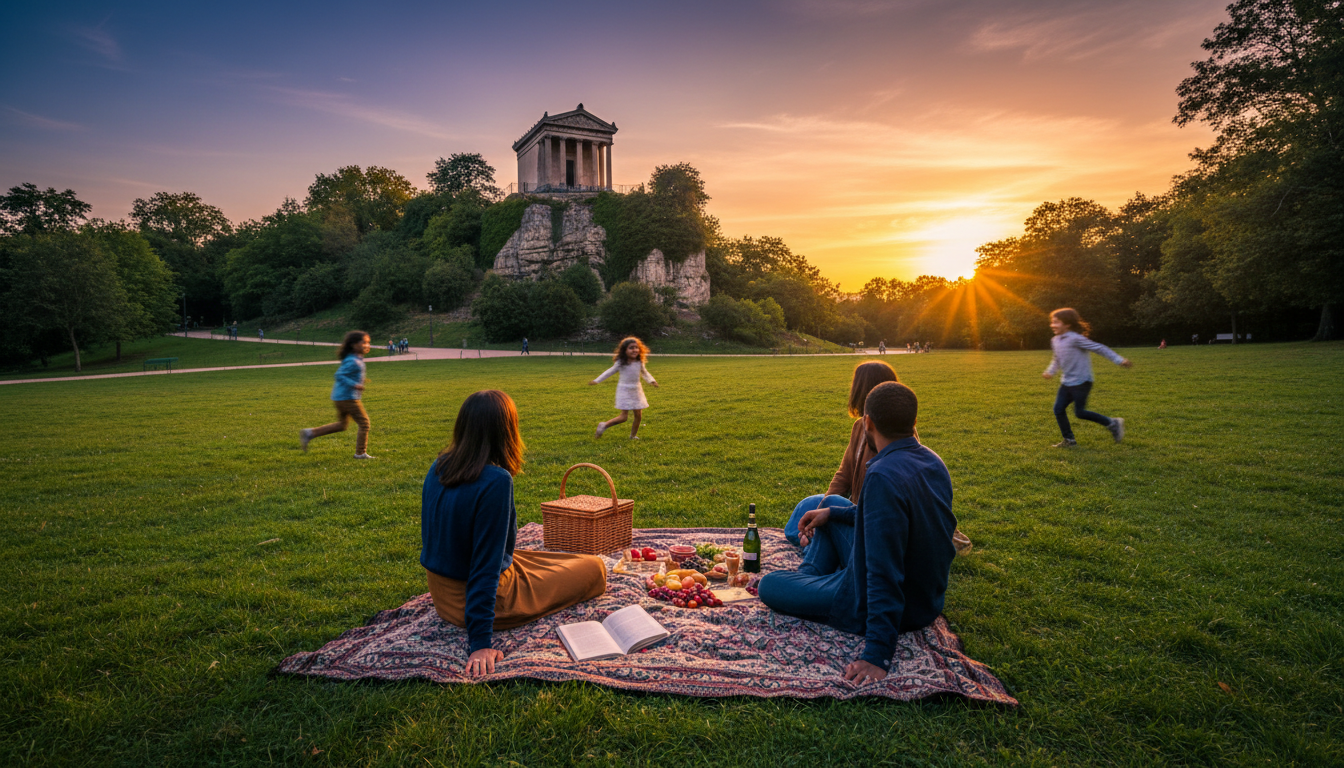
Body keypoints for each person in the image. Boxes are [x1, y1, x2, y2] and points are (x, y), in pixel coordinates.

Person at [759, 382, 956, 685]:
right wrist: (832, 513)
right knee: (834, 503)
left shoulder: (882, 476)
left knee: (770, 585)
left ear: (868, 423)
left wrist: (878, 654)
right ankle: (814, 574)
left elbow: (883, 569)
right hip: (926, 596)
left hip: (890, 603)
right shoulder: (933, 460)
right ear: (913, 423)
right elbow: (891, 523)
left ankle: (813, 578)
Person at [421, 390, 606, 677]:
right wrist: (480, 642)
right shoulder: (495, 481)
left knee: (563, 559)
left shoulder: (439, 466)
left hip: (441, 594)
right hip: (478, 598)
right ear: (506, 430)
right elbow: (485, 567)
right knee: (594, 567)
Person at [783, 360, 970, 553]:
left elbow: (886, 500)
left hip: (871, 516)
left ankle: (821, 549)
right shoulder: (859, 427)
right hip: (854, 508)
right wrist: (823, 508)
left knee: (824, 515)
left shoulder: (893, 437)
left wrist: (832, 515)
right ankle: (818, 540)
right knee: (804, 512)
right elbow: (844, 475)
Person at [1042, 307, 1132, 448]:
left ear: (1067, 324)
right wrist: (1050, 371)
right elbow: (1056, 359)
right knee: (1058, 409)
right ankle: (1069, 441)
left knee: (1080, 412)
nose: (1052, 325)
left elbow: (1099, 348)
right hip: (1066, 382)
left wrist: (1119, 360)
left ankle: (1113, 423)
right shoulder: (1055, 340)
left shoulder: (1076, 339)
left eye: (1056, 322)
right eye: (1052, 322)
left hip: (1082, 381)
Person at [299, 330, 375, 459]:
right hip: (348, 398)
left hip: (340, 397)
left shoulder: (354, 358)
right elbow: (339, 375)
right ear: (353, 344)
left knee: (342, 425)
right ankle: (360, 453)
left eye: (368, 343)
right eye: (364, 342)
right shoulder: (353, 360)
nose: (367, 345)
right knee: (364, 423)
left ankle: (310, 433)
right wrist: (354, 384)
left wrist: (358, 381)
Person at [591, 337, 658, 439]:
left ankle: (633, 436)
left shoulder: (639, 362)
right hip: (624, 391)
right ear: (624, 350)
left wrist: (651, 381)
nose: (634, 350)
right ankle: (603, 425)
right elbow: (609, 371)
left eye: (636, 347)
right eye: (631, 348)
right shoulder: (621, 363)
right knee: (623, 417)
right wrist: (597, 380)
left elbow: (644, 373)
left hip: (636, 390)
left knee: (638, 416)